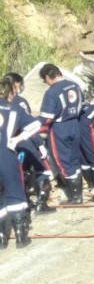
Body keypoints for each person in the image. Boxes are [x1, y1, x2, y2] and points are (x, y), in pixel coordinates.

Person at [4, 72, 55, 214]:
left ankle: (24, 202)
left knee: (21, 173)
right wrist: (39, 144)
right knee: (44, 171)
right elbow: (30, 126)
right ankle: (41, 205)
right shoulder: (19, 102)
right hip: (23, 142)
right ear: (16, 85)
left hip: (7, 146)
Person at [0, 77, 42, 248]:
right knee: (15, 194)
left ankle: (2, 239)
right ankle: (20, 238)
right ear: (11, 93)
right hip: (7, 154)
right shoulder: (15, 108)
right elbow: (37, 124)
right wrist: (18, 138)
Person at [38, 64, 84, 205]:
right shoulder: (75, 86)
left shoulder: (52, 92)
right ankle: (78, 194)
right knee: (75, 159)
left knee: (63, 161)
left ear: (47, 77)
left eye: (44, 80)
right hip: (75, 125)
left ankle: (75, 197)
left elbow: (47, 118)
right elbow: (83, 105)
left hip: (60, 128)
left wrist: (35, 127)